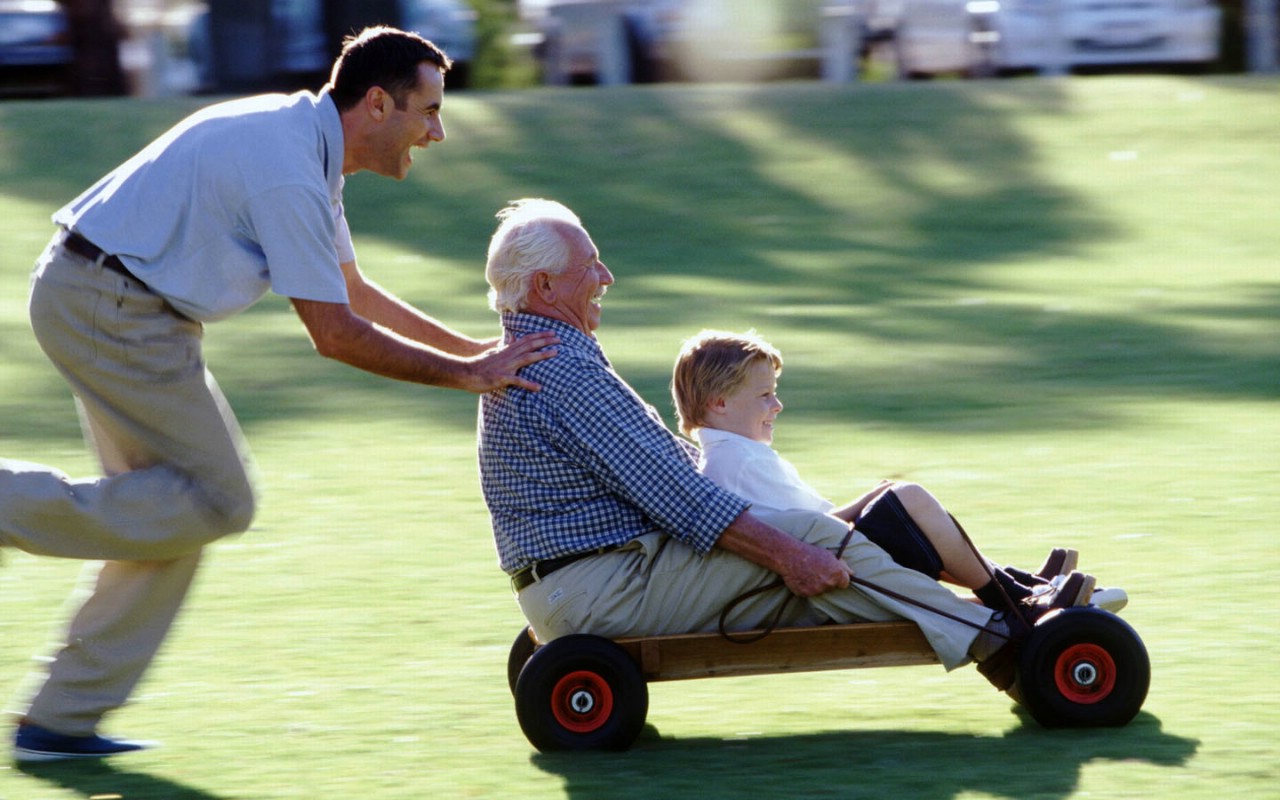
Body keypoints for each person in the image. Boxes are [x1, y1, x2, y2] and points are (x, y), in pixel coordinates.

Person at [0, 27, 558, 763]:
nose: (438, 131)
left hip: (115, 302)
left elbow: (355, 293)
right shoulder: (291, 168)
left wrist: (480, 353)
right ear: (379, 103)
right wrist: (467, 377)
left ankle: (58, 722)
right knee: (220, 499)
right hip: (112, 304)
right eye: (428, 111)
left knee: (172, 510)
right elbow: (334, 333)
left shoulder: (308, 147)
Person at [477, 198, 1093, 703]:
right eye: (593, 265)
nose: (607, 277)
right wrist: (791, 552)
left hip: (579, 585)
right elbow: (684, 500)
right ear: (545, 284)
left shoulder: (533, 354)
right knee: (815, 541)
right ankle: (1004, 638)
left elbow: (663, 470)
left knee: (815, 531)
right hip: (601, 589)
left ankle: (997, 605)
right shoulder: (562, 370)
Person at [670, 329, 1126, 613]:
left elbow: (806, 524)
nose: (778, 405)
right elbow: (813, 533)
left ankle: (1019, 585)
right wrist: (873, 500)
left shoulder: (732, 455)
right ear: (721, 403)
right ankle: (1011, 597)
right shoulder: (738, 461)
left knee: (901, 503)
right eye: (765, 395)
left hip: (826, 559)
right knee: (908, 499)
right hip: (823, 575)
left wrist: (871, 498)